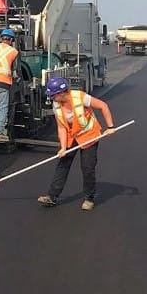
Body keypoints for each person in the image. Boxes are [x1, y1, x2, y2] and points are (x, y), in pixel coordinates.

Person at [37, 77, 116, 211]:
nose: (51, 98)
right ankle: (52, 196)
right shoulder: (56, 105)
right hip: (71, 136)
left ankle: (89, 198)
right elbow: (61, 127)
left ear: (62, 93)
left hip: (89, 136)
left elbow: (103, 106)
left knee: (87, 168)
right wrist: (62, 147)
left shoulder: (81, 97)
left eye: (53, 95)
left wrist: (110, 127)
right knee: (63, 163)